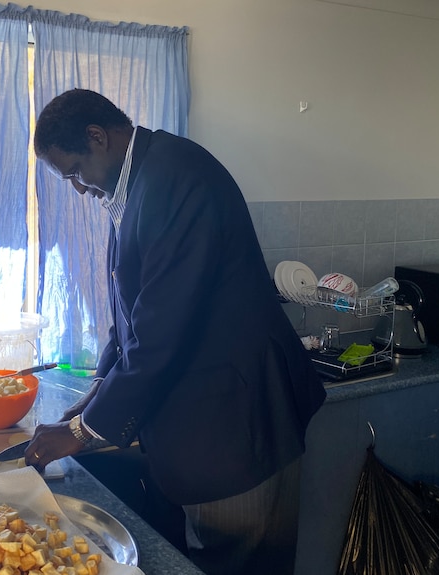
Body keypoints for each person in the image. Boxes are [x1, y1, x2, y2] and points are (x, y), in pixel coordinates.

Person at [24, 88, 327, 575]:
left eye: (74, 172)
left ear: (97, 137)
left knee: (244, 561)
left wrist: (83, 429)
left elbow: (161, 332)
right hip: (202, 428)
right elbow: (132, 312)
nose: (78, 188)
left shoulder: (177, 178)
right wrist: (101, 388)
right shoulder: (137, 181)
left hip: (237, 428)